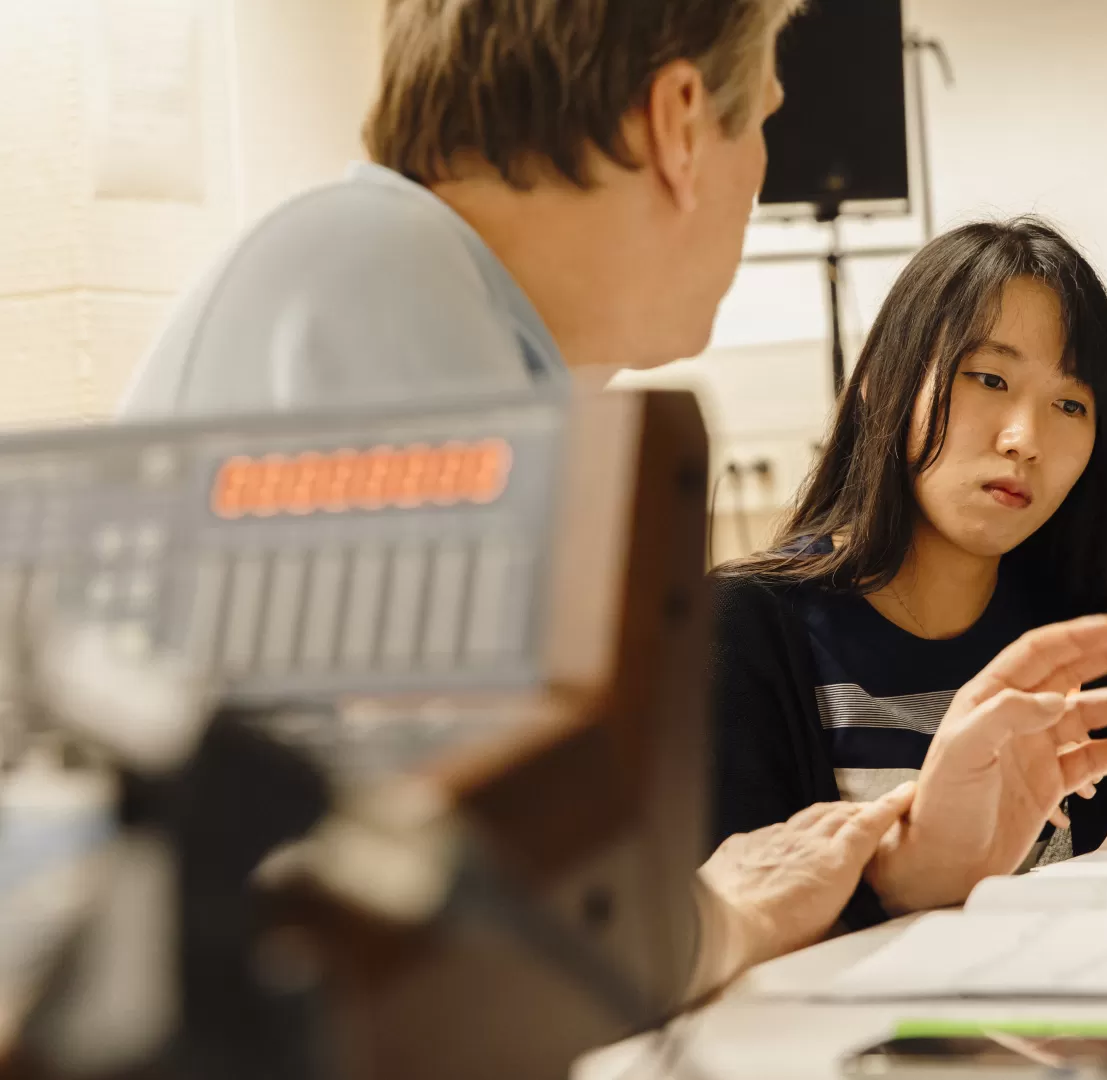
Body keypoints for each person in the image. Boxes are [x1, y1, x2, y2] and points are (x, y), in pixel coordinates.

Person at [114, 0, 909, 1000]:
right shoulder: (392, 290)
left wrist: (695, 908)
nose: (761, 168)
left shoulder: (390, 275)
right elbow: (504, 896)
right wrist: (727, 916)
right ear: (677, 122)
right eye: (760, 122)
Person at [711, 217, 1107, 925]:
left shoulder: (1075, 638)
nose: (1025, 439)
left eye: (1070, 404)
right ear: (882, 388)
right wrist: (906, 876)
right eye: (989, 378)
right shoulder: (747, 629)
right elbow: (713, 927)